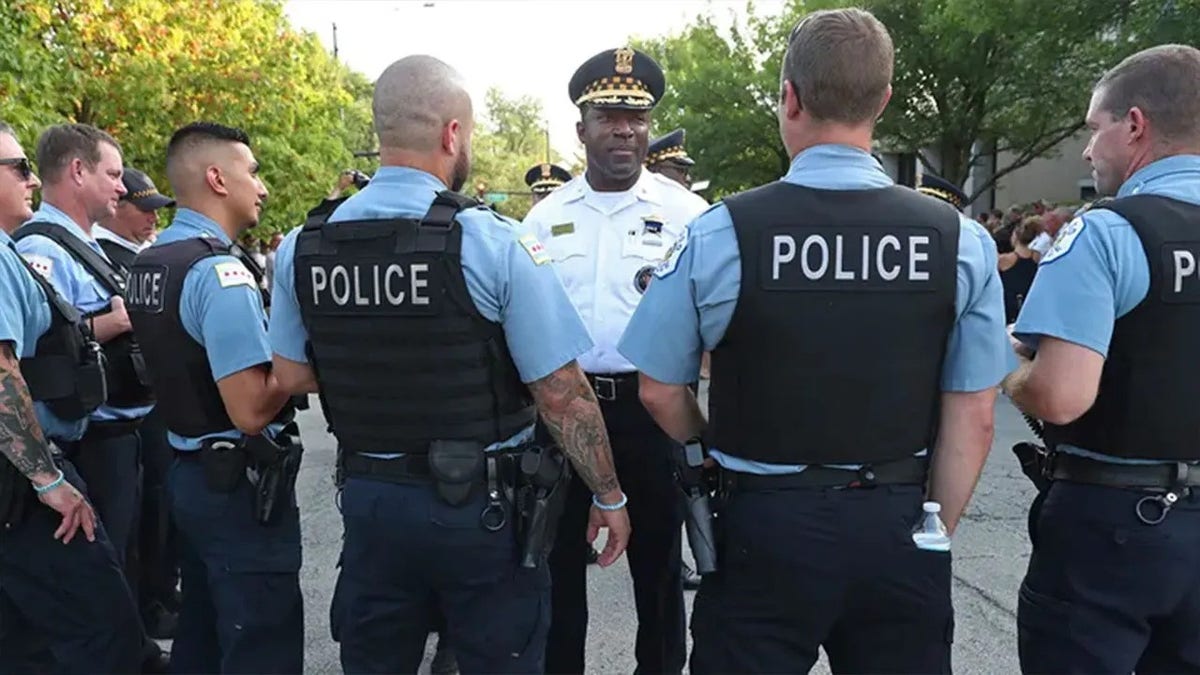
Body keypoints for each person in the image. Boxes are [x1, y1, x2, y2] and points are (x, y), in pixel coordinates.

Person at [618, 9, 1011, 673]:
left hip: (762, 523)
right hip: (896, 518)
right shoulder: (958, 240)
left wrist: (709, 452)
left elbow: (658, 389)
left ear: (790, 98)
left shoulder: (721, 232)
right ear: (882, 101)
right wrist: (932, 529)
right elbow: (974, 416)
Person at [268, 55, 630, 674]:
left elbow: (291, 375)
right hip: (479, 513)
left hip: (372, 503)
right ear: (452, 134)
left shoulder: (306, 245)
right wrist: (609, 494)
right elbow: (560, 392)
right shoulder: (492, 240)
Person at [1002, 44, 1200, 674]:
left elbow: (1060, 396)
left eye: (1094, 129)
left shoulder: (1109, 230)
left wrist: (1010, 370)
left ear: (1134, 125)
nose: (1088, 151)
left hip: (1116, 525)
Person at [523, 46, 708, 675]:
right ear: (582, 130)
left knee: (659, 574)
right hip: (564, 411)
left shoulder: (688, 216)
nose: (624, 130)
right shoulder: (545, 219)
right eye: (608, 117)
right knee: (556, 571)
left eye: (637, 118)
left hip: (653, 408)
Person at [126, 122, 304, 674]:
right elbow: (249, 410)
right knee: (261, 641)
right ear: (217, 179)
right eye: (252, 172)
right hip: (237, 484)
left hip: (189, 469)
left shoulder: (152, 260)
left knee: (202, 633)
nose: (262, 187)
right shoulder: (218, 272)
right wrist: (300, 368)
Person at [13, 123, 170, 671]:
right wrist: (113, 323)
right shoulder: (40, 247)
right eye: (113, 174)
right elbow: (32, 352)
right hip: (83, 439)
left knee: (122, 566)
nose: (122, 188)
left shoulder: (84, 245)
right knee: (93, 595)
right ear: (78, 172)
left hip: (116, 430)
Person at [95, 164, 182, 639]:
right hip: (121, 409)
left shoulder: (141, 255)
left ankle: (160, 591)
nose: (153, 218)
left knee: (160, 507)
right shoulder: (101, 254)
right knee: (138, 518)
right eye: (143, 209)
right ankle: (147, 605)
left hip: (150, 399)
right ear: (118, 207)